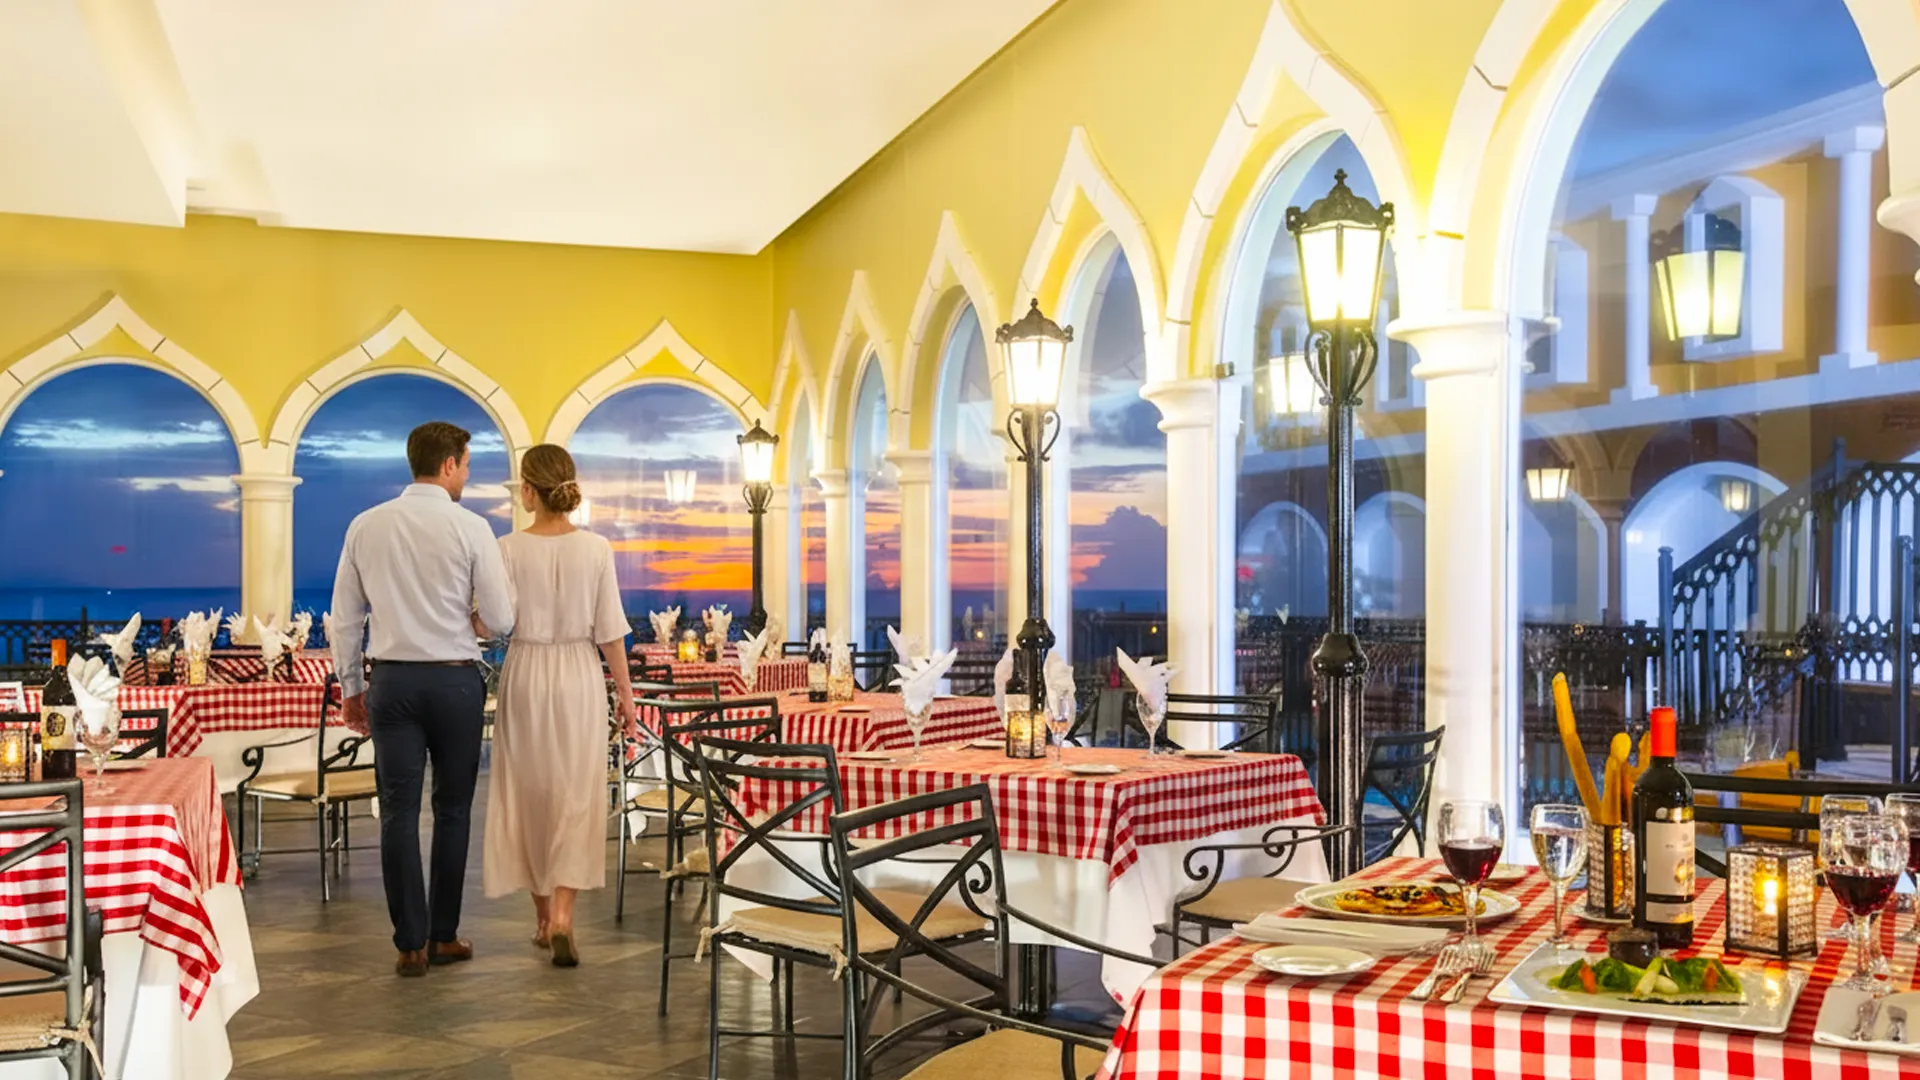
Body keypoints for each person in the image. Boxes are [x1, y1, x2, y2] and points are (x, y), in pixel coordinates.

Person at [331, 420, 514, 978]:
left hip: (391, 682)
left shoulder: (366, 525)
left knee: (398, 812)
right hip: (456, 682)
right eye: (466, 464)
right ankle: (443, 935)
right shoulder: (472, 527)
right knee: (453, 810)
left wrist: (352, 689)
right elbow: (503, 618)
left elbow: (344, 620)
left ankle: (409, 943)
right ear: (451, 464)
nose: (466, 474)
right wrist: (473, 621)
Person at [482, 444, 635, 967]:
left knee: (529, 791)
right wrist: (627, 697)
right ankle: (566, 915)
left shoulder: (505, 549)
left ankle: (543, 920)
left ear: (527, 491)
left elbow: (490, 624)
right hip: (578, 675)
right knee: (574, 790)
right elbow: (611, 632)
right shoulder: (596, 550)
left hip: (524, 673)